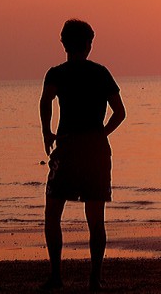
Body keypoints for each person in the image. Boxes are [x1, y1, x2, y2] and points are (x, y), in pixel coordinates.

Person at [39, 19, 126, 290]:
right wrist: (101, 133)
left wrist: (47, 132)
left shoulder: (57, 73)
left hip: (68, 146)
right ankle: (95, 276)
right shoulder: (100, 73)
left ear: (64, 43)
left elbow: (45, 101)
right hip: (95, 150)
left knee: (53, 212)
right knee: (95, 217)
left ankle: (56, 275)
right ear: (88, 44)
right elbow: (120, 112)